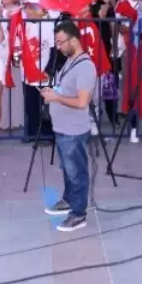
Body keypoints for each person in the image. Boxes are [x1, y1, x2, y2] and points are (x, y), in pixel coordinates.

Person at [41, 20, 96, 232]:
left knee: (77, 172)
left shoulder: (85, 66)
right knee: (67, 169)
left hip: (74, 129)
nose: (58, 46)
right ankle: (68, 200)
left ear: (74, 40)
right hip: (63, 127)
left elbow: (82, 102)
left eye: (61, 42)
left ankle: (79, 213)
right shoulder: (70, 60)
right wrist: (53, 93)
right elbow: (66, 89)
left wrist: (56, 98)